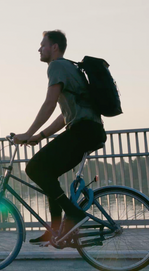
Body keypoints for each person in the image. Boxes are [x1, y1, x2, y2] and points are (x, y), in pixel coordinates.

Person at [13, 30, 107, 243]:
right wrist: (39, 136)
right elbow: (65, 116)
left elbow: (50, 103)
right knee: (47, 173)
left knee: (34, 167)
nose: (39, 49)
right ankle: (56, 230)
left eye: (42, 44)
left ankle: (73, 214)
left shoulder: (56, 66)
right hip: (89, 130)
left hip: (82, 132)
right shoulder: (69, 68)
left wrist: (27, 133)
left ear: (54, 47)